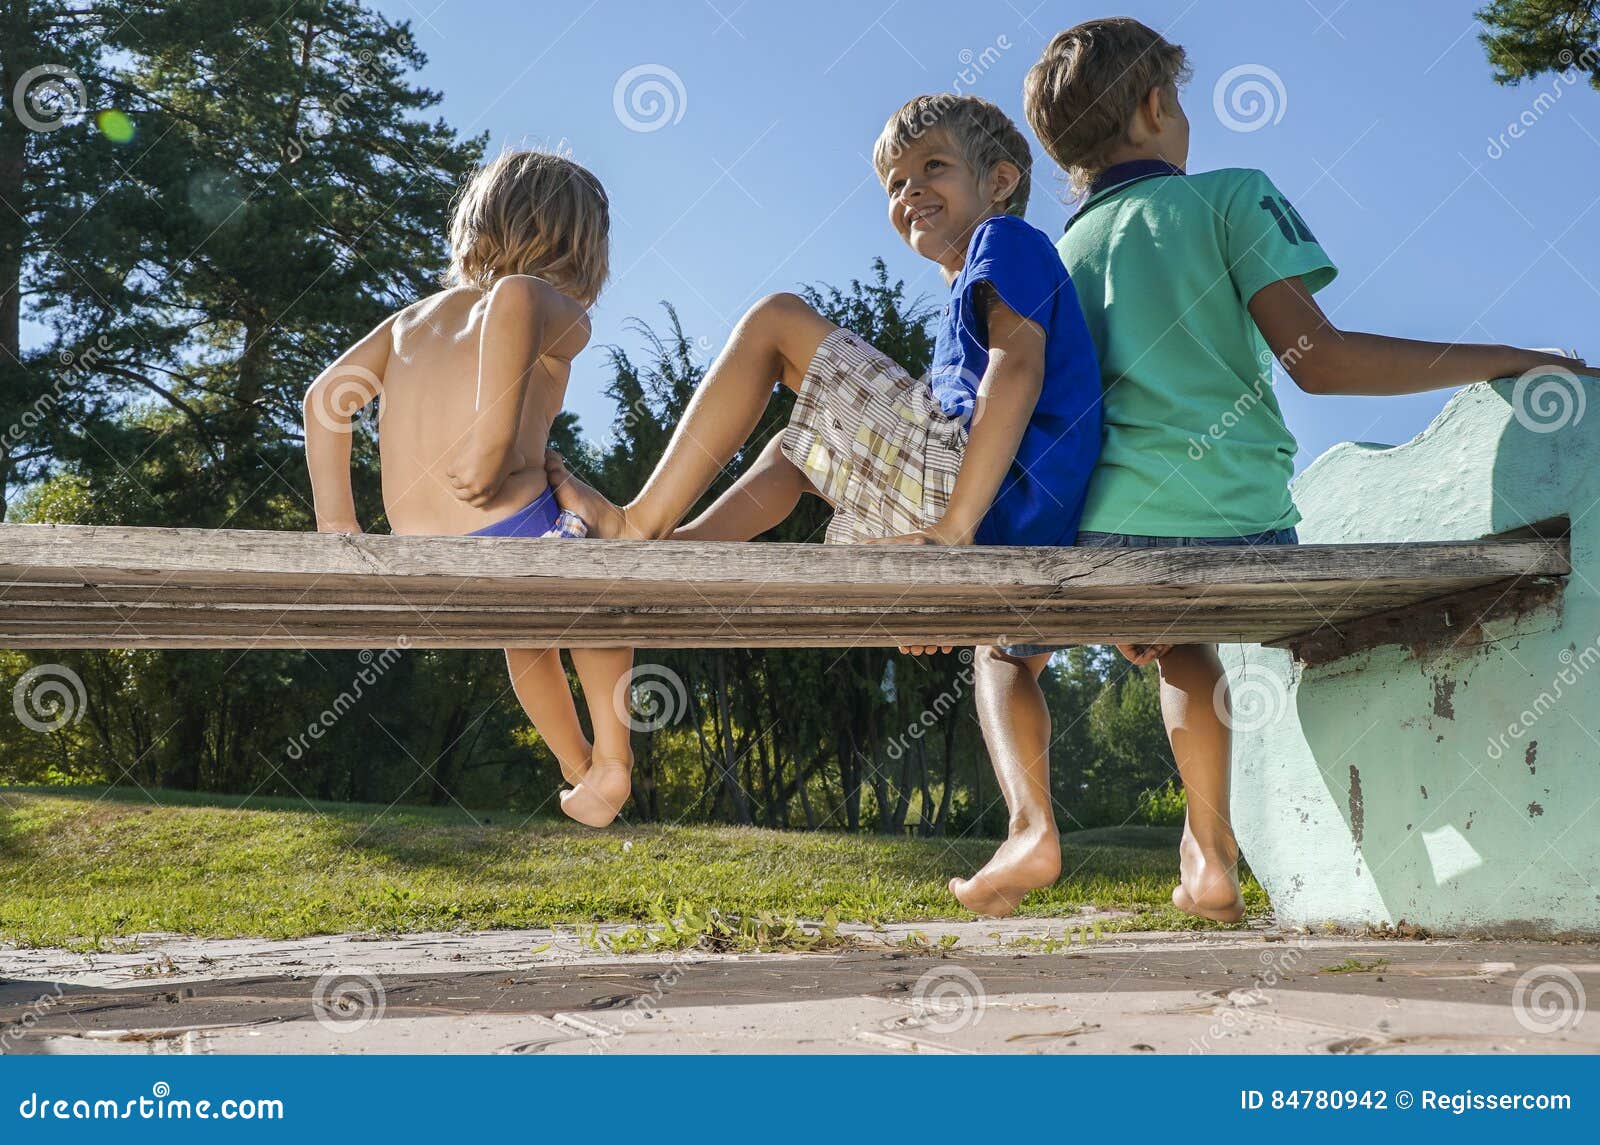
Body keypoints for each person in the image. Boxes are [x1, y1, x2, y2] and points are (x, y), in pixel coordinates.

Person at [1022, 16, 1596, 920]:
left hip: (1113, 534)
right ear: (1157, 102)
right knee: (1204, 632)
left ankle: (1207, 853)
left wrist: (1099, 568)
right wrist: (1507, 355)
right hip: (1245, 526)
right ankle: (1212, 849)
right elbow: (1318, 362)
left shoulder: (1054, 258)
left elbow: (1048, 417)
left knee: (1182, 647)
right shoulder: (1230, 197)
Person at [548, 94, 1103, 915]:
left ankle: (642, 527)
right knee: (801, 452)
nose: (908, 191)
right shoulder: (969, 288)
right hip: (1008, 531)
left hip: (964, 499)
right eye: (894, 181)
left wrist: (949, 539)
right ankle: (1032, 828)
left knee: (776, 322)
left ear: (1001, 179)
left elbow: (1015, 371)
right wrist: (951, 583)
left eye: (932, 169)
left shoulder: (1006, 241)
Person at [303, 149, 633, 828]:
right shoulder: (551, 307)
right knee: (603, 570)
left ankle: (575, 767)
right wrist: (489, 444)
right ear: (583, 252)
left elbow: (324, 399)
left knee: (526, 636)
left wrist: (339, 524)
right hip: (509, 528)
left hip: (422, 553)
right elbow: (515, 296)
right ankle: (614, 755)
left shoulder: (409, 321)